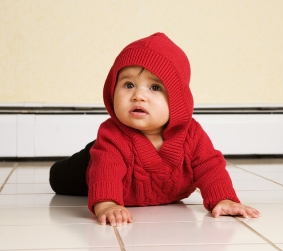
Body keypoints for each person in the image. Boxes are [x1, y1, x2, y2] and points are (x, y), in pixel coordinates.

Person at [49, 32, 260, 226]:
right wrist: (107, 204)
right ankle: (61, 170)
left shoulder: (192, 135)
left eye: (155, 87)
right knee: (62, 177)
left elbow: (209, 167)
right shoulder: (111, 136)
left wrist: (224, 199)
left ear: (177, 99)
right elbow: (106, 171)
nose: (138, 96)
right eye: (129, 85)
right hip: (92, 162)